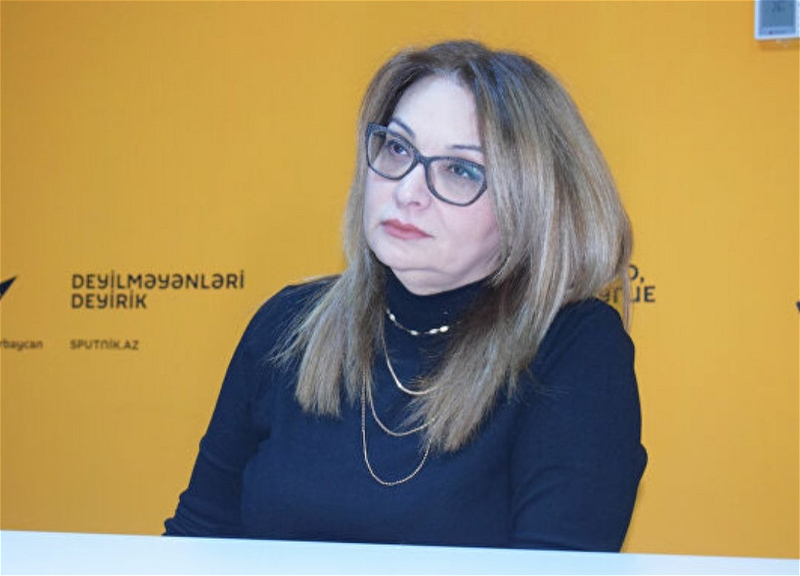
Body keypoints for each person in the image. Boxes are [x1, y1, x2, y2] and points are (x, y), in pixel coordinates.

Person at [165, 40, 647, 551]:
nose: (407, 191)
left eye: (460, 170)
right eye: (397, 148)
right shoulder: (288, 324)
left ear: (532, 206)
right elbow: (195, 542)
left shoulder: (575, 347)